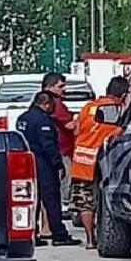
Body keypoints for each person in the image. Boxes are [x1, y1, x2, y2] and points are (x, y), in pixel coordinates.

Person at [70, 76, 130, 249]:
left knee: (85, 202)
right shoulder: (116, 110)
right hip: (102, 160)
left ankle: (90, 240)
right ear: (124, 95)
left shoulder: (89, 107)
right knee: (103, 201)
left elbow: (77, 130)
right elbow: (118, 132)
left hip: (81, 160)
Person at [17, 92, 81, 247]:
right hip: (43, 163)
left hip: (26, 163)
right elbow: (49, 146)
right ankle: (59, 234)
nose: (54, 108)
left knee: (32, 201)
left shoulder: (23, 118)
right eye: (52, 104)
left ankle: (31, 234)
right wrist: (58, 165)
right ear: (45, 103)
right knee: (51, 199)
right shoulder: (43, 121)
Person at [42, 73, 76, 210]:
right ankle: (64, 204)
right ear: (49, 87)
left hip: (58, 149)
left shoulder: (49, 104)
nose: (64, 89)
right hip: (62, 150)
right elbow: (70, 125)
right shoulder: (56, 104)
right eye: (60, 86)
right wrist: (85, 119)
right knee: (65, 179)